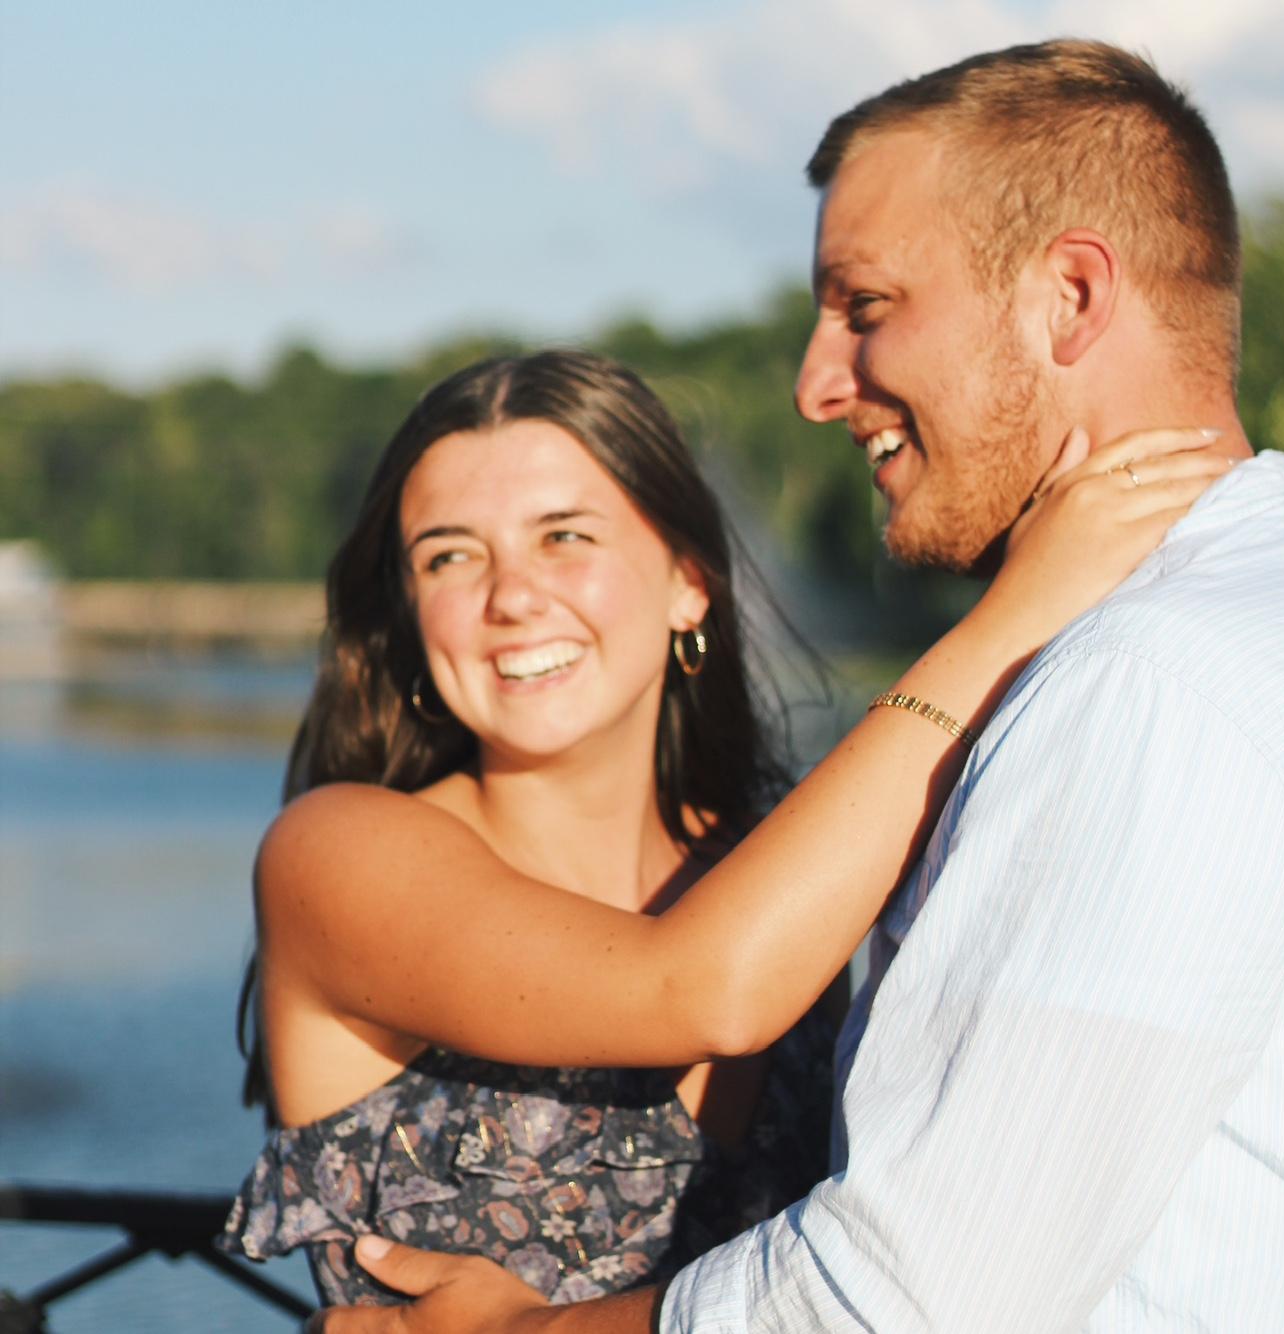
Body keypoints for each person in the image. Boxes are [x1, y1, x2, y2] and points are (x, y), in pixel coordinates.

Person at [309, 39, 1284, 1334]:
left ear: (1069, 296)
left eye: (862, 305)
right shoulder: (1283, 617)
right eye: (448, 555)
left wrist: (528, 1330)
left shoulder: (1149, 683)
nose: (813, 384)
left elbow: (906, 1301)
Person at [222, 336, 1215, 1313]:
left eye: (564, 535)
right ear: (408, 608)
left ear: (685, 579)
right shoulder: (336, 851)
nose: (511, 595)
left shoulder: (767, 877)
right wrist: (1012, 614)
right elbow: (701, 988)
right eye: (448, 556)